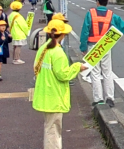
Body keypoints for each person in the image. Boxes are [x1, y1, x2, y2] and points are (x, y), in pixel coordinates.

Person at [80, 0, 124, 107]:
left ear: (97, 2)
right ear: (107, 2)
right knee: (107, 72)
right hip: (106, 46)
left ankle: (98, 99)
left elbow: (85, 31)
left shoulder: (90, 14)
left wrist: (83, 48)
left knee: (95, 73)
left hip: (92, 46)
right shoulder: (111, 15)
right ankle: (109, 98)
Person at [33, 19, 88, 149]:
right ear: (62, 35)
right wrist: (76, 67)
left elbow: (36, 67)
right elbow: (63, 75)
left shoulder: (44, 48)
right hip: (54, 95)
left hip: (45, 93)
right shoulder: (58, 52)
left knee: (50, 126)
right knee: (53, 130)